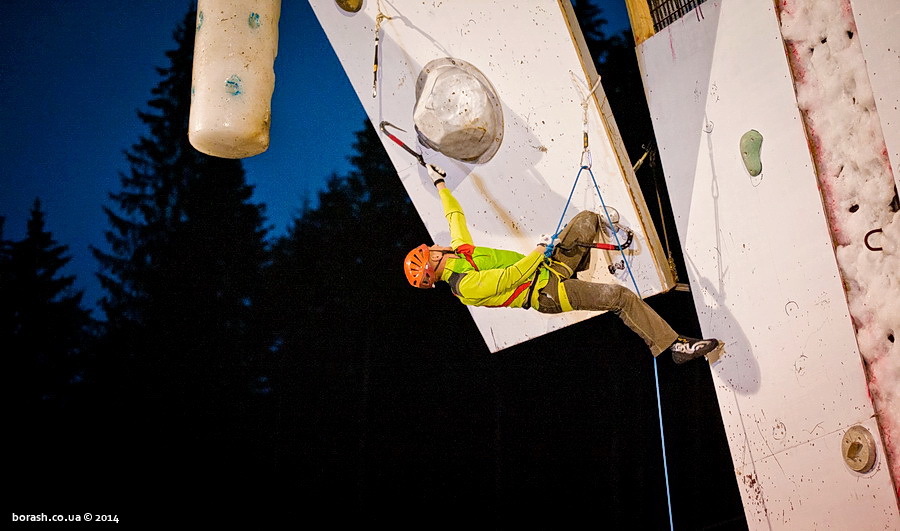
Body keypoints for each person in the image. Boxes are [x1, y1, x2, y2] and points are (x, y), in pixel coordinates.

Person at [403, 166, 723, 364]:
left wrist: (439, 183)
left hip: (548, 267)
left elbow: (454, 216)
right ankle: (674, 346)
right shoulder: (466, 287)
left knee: (585, 221)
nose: (434, 245)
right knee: (619, 298)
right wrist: (542, 251)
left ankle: (581, 268)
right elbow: (510, 277)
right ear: (434, 259)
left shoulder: (461, 252)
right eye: (430, 248)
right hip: (548, 293)